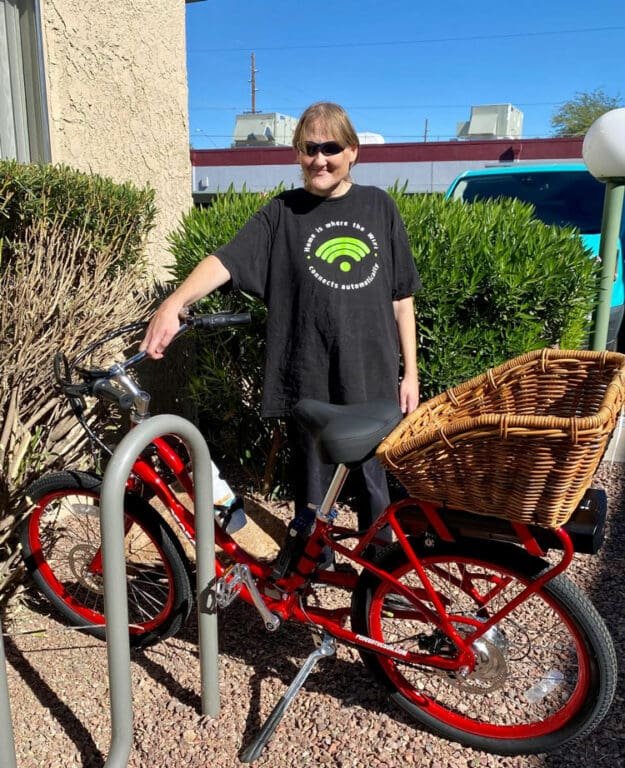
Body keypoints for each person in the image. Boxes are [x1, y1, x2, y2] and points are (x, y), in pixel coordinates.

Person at [140, 101, 421, 558]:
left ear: (352, 152)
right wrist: (175, 303)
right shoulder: (281, 214)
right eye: (310, 148)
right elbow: (225, 260)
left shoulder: (379, 207)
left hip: (371, 372)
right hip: (306, 371)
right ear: (298, 154)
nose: (320, 159)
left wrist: (410, 373)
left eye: (331, 147)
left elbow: (402, 298)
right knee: (311, 481)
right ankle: (315, 567)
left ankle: (381, 579)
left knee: (373, 480)